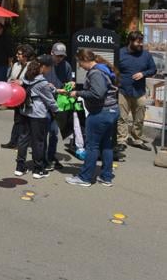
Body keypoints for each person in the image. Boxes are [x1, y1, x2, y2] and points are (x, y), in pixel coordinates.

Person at [65, 49, 120, 187]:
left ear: (84, 60)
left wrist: (78, 93)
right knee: (106, 145)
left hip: (100, 113)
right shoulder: (104, 69)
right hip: (112, 110)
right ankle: (106, 177)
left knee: (92, 146)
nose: (80, 66)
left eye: (79, 63)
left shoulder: (95, 73)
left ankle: (85, 178)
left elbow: (97, 94)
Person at [16, 55, 60, 179]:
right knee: (38, 142)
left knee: (23, 139)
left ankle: (20, 167)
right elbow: (50, 101)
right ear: (44, 67)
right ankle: (38, 169)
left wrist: (50, 88)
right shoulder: (42, 82)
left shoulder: (27, 77)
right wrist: (58, 111)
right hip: (38, 114)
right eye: (49, 67)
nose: (50, 70)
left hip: (25, 111)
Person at [116, 31, 156, 152]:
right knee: (121, 118)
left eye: (141, 41)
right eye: (138, 42)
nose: (141, 44)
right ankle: (121, 140)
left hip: (139, 91)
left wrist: (143, 74)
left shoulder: (146, 55)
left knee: (139, 118)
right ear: (130, 41)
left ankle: (137, 139)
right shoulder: (120, 53)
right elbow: (112, 68)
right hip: (123, 90)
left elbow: (153, 69)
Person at [1, 44, 36, 148]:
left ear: (26, 55)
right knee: (17, 119)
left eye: (19, 54)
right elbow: (11, 77)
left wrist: (21, 82)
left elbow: (32, 80)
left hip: (26, 95)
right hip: (15, 95)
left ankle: (23, 142)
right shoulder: (16, 65)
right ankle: (13, 141)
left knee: (26, 120)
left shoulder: (32, 66)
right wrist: (10, 83)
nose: (17, 55)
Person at [44, 42, 73, 170]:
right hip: (44, 102)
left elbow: (69, 80)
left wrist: (71, 84)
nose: (60, 58)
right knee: (43, 131)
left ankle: (51, 156)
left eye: (62, 56)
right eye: (58, 56)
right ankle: (42, 157)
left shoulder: (66, 66)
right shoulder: (44, 64)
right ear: (52, 53)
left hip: (58, 103)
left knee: (54, 132)